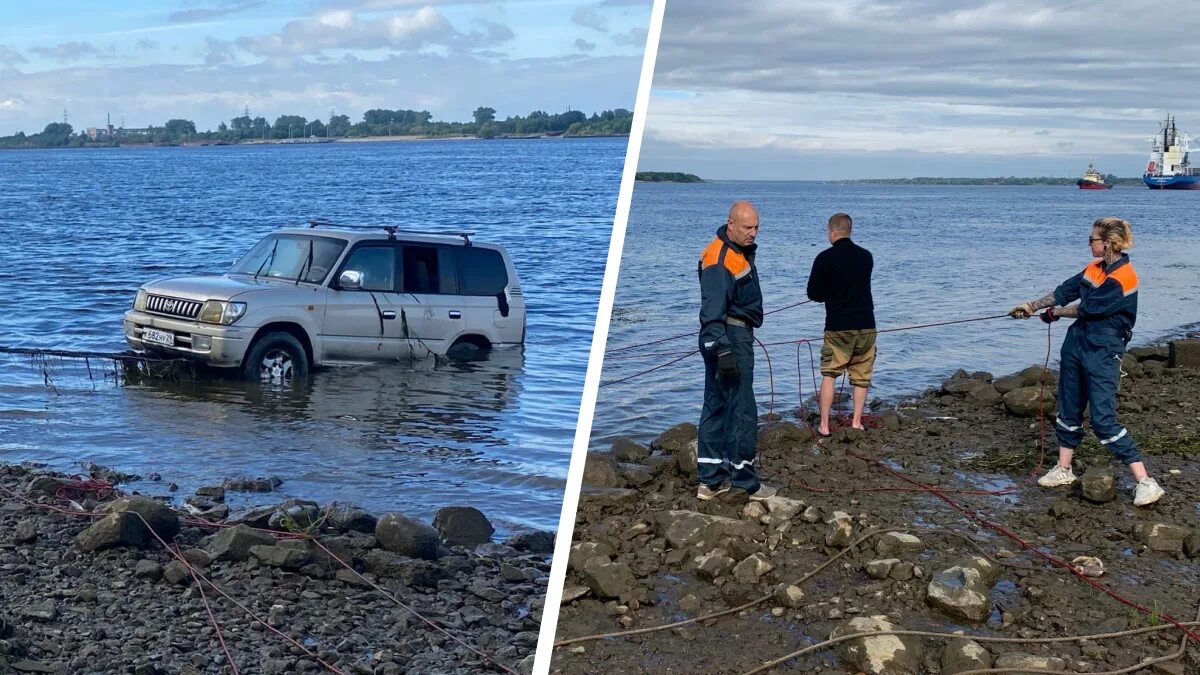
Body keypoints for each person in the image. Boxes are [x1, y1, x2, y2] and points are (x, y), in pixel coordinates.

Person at [1010, 217, 1165, 506]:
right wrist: (1031, 306)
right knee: (1068, 406)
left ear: (1108, 243)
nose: (1089, 243)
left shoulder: (1124, 278)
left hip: (1104, 347)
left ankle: (1146, 481)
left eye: (1092, 239)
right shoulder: (1094, 268)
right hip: (1077, 343)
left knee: (1103, 419)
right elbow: (1066, 291)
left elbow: (1088, 308)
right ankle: (1063, 469)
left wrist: (1055, 314)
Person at [696, 200, 776, 501]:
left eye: (756, 227)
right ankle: (744, 481)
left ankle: (711, 479)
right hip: (729, 336)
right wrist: (722, 349)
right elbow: (712, 309)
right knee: (741, 408)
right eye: (747, 227)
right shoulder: (720, 259)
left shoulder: (735, 252)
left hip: (731, 332)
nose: (753, 233)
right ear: (731, 224)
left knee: (716, 404)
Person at [805, 213, 876, 436]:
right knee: (861, 376)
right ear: (850, 230)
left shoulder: (824, 258)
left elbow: (813, 293)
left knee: (830, 373)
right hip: (866, 325)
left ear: (832, 232)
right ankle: (856, 422)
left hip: (837, 326)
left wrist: (829, 292)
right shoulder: (866, 257)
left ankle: (824, 425)